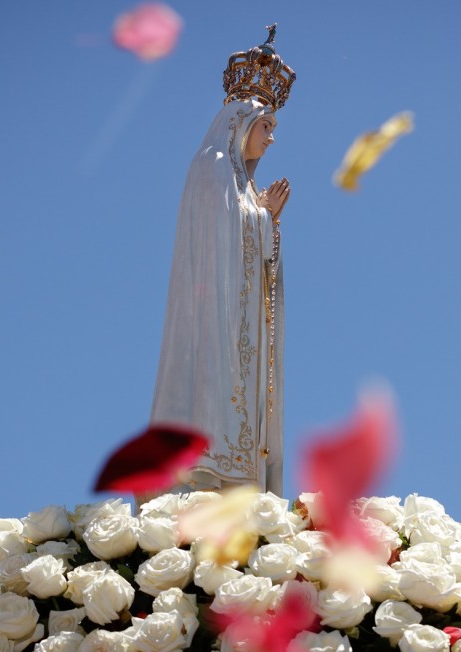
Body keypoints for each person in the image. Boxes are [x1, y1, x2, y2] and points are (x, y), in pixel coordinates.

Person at [149, 27, 295, 497]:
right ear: (239, 122)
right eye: (266, 126)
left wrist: (266, 220)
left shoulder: (248, 190)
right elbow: (219, 238)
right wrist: (262, 218)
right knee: (212, 388)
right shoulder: (211, 167)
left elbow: (258, 255)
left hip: (242, 327)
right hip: (212, 317)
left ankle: (242, 476)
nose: (271, 139)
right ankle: (207, 470)